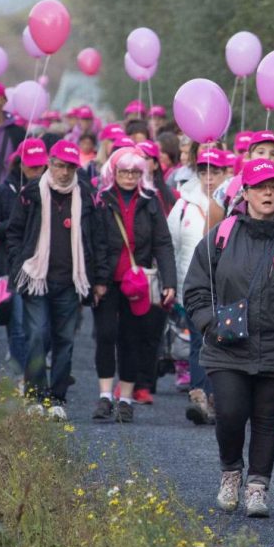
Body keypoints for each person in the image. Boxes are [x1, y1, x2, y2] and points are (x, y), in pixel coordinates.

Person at [183, 157, 274, 518]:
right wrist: (208, 324)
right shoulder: (221, 236)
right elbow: (196, 289)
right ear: (245, 192)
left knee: (267, 420)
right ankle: (231, 472)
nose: (268, 192)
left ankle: (257, 487)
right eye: (260, 186)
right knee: (231, 414)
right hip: (227, 346)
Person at [7, 140, 110, 420]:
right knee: (37, 335)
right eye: (59, 165)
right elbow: (14, 232)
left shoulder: (87, 195)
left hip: (70, 281)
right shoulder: (31, 193)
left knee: (65, 340)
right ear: (49, 164)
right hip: (36, 279)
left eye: (70, 167)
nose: (64, 172)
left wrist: (100, 279)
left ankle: (57, 398)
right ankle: (34, 395)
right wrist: (20, 263)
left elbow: (99, 239)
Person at [92, 147, 176, 422]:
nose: (129, 176)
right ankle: (105, 395)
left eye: (134, 172)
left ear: (142, 173)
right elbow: (96, 243)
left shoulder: (150, 201)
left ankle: (126, 398)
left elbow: (163, 243)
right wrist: (98, 280)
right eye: (124, 171)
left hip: (138, 283)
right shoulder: (102, 201)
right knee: (105, 335)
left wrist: (169, 282)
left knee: (131, 340)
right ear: (113, 172)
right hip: (107, 281)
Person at [169, 147, 231, 425]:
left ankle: (220, 397)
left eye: (214, 172)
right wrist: (175, 283)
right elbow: (171, 245)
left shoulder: (235, 201)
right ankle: (200, 396)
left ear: (225, 173)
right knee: (197, 341)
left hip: (228, 286)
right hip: (194, 285)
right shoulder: (184, 204)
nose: (209, 178)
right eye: (203, 171)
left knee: (221, 341)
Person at [0, 139, 49, 383]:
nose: (36, 171)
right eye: (31, 166)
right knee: (19, 325)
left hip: (44, 267)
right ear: (20, 164)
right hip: (10, 266)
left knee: (42, 327)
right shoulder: (4, 191)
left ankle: (35, 370)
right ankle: (26, 377)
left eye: (40, 166)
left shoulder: (52, 189)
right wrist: (15, 224)